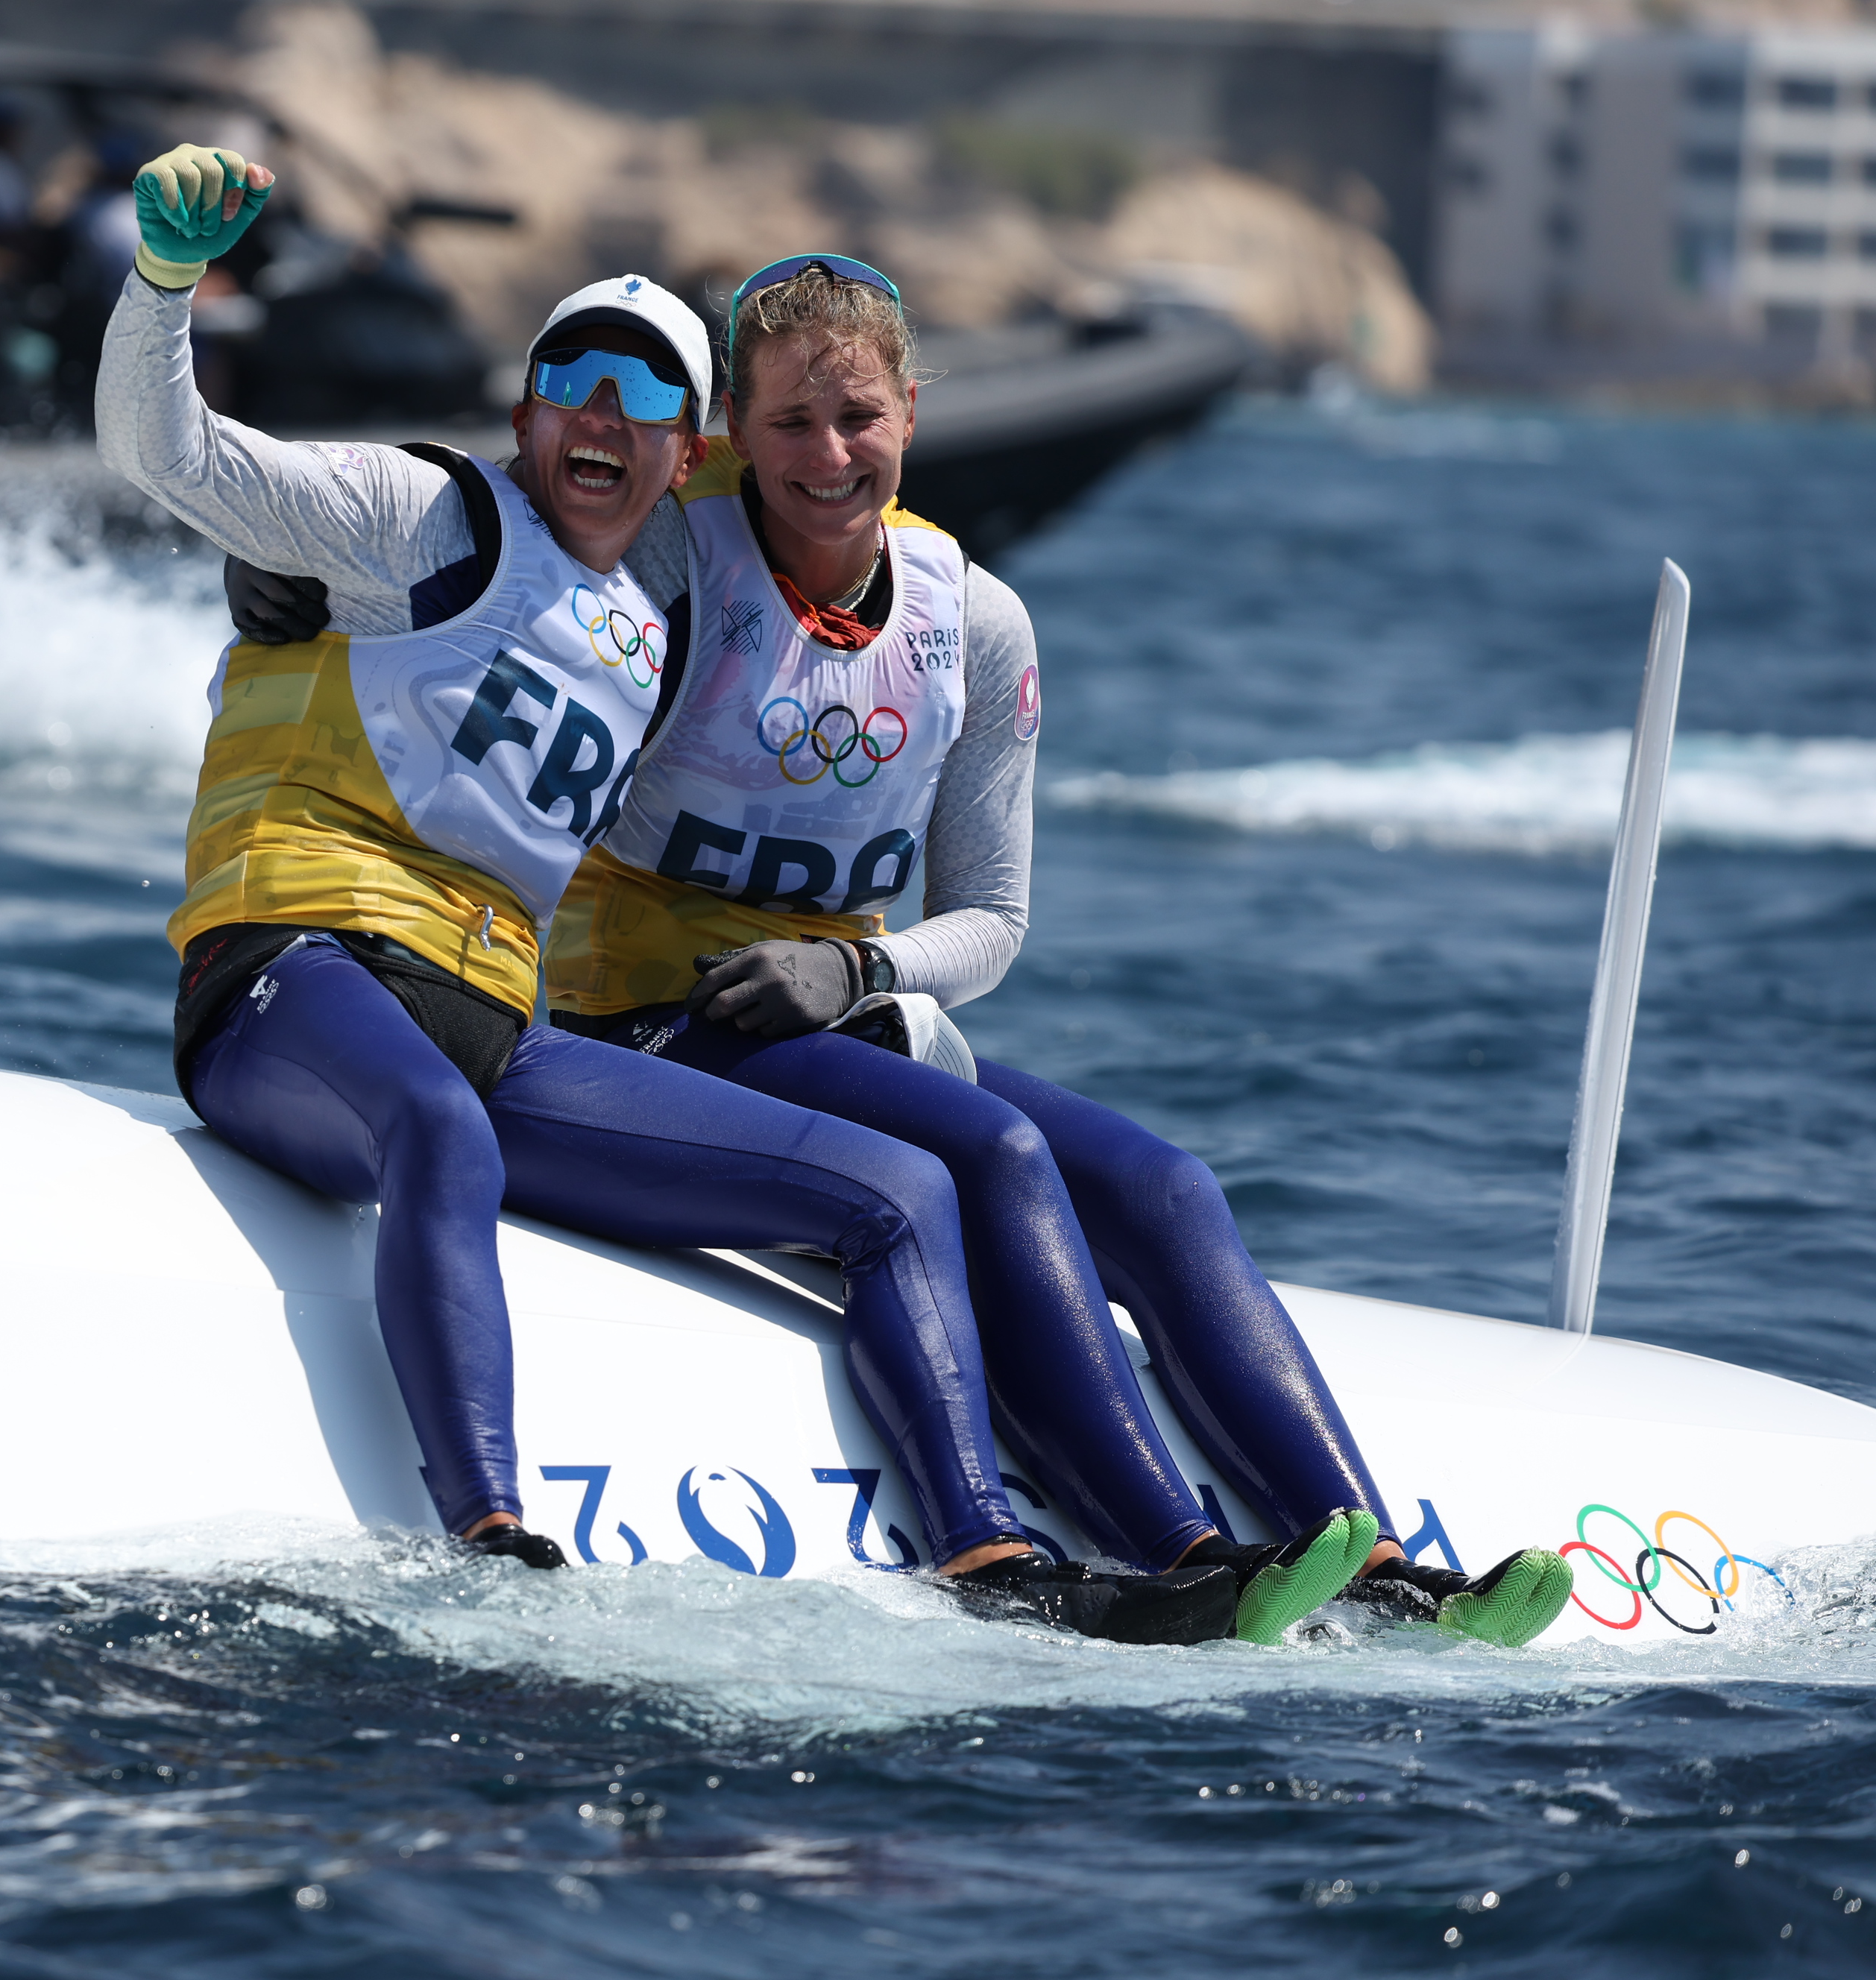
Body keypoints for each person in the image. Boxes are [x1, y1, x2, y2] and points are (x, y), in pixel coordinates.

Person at [226, 254, 1573, 1650]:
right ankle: (1176, 1552)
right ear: (729, 436)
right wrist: (280, 561)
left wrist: (864, 974)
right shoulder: (672, 553)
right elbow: (464, 539)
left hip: (846, 1019)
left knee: (1166, 1187)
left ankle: (1375, 1564)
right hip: (645, 1018)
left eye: (859, 418)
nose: (827, 456)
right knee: (991, 1155)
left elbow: (995, 920)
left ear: (914, 414)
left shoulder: (973, 620)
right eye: (791, 424)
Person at [101, 142, 1235, 1645]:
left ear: (683, 452)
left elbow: (800, 592)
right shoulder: (410, 513)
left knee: (898, 1192)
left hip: (497, 1016)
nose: (605, 415)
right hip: (295, 967)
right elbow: (167, 457)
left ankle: (993, 1563)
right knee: (433, 1123)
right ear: (527, 407)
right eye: (576, 377)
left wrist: (868, 953)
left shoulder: (657, 620)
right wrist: (166, 290)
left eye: (646, 399)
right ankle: (489, 1539)